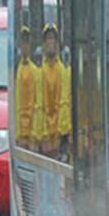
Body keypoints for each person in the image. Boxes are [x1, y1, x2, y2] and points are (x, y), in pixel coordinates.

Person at [37, 23, 71, 158]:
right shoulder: (39, 72)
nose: (51, 42)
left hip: (59, 136)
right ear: (44, 44)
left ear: (58, 44)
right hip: (43, 137)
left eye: (53, 39)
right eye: (48, 39)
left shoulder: (63, 71)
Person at [14, 25, 41, 149]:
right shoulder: (15, 72)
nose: (25, 46)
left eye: (27, 42)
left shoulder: (35, 71)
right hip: (18, 134)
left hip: (31, 135)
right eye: (22, 42)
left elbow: (37, 103)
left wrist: (35, 133)